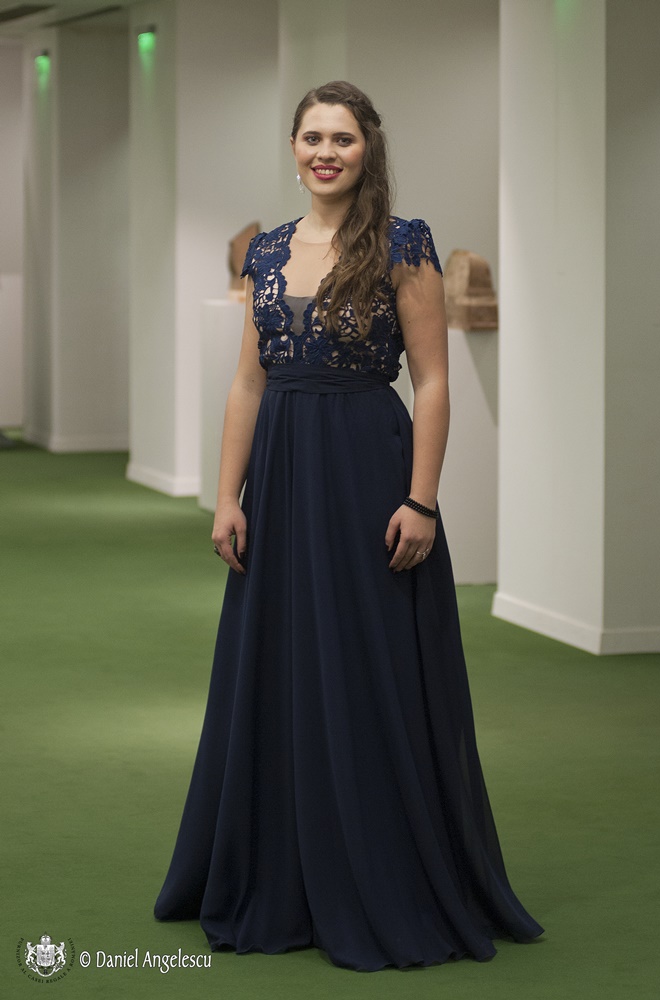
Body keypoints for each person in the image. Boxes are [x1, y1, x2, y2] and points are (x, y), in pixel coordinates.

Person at [153, 80, 544, 972]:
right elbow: (247, 383)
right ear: (292, 148)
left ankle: (382, 870)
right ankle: (282, 870)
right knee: (282, 662)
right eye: (312, 138)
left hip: (369, 475)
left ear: (368, 149)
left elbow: (432, 382)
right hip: (281, 478)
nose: (325, 153)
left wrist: (421, 500)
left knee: (371, 667)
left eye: (342, 139)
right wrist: (226, 495)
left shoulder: (404, 245)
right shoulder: (267, 252)